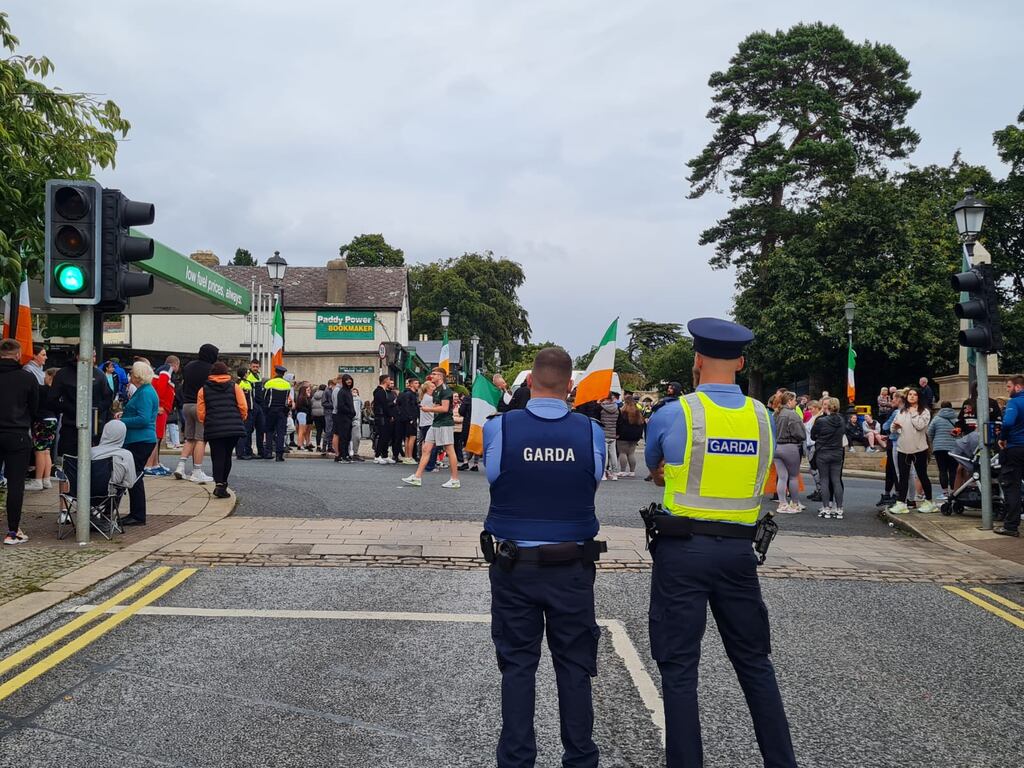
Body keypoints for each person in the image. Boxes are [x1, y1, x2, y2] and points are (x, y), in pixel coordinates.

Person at [644, 318, 797, 768]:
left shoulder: (675, 412)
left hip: (681, 551)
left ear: (696, 359)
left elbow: (655, 468)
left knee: (679, 669)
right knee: (754, 664)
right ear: (741, 362)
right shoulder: (763, 417)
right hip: (739, 554)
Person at [482, 346, 607, 768]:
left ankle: (516, 761)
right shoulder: (590, 431)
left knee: (518, 667)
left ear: (529, 383)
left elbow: (495, 479)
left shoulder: (500, 428)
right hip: (571, 566)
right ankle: (580, 758)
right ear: (571, 386)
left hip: (514, 566)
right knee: (574, 667)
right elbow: (590, 483)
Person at [1, 339, 38, 545]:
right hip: (17, 433)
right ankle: (12, 532)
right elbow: (35, 407)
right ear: (17, 355)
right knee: (15, 485)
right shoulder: (27, 378)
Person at [197, 362, 248, 498]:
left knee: (217, 456)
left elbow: (201, 412)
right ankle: (224, 483)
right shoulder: (235, 386)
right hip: (233, 427)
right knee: (227, 456)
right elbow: (243, 406)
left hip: (214, 427)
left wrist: (206, 422)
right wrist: (240, 418)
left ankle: (219, 484)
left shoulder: (203, 389)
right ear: (226, 373)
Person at [403, 368, 461, 488]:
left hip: (445, 423)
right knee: (426, 448)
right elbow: (437, 406)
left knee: (449, 450)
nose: (431, 376)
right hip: (436, 423)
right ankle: (417, 477)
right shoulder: (436, 391)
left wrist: (428, 409)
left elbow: (445, 408)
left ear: (440, 377)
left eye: (434, 374)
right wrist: (430, 408)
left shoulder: (446, 391)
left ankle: (455, 479)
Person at [49, 350, 113, 456]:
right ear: (78, 356)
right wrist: (70, 409)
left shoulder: (99, 374)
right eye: (90, 356)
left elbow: (107, 398)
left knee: (90, 458)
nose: (93, 359)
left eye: (94, 356)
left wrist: (95, 409)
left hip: (93, 425)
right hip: (70, 425)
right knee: (67, 458)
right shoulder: (64, 374)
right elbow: (52, 399)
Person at [119, 361, 160, 526]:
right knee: (134, 475)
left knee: (134, 476)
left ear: (137, 376)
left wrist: (123, 420)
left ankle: (137, 515)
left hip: (140, 439)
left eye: (132, 373)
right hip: (141, 439)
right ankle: (136, 513)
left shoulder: (144, 393)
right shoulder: (145, 391)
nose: (130, 376)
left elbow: (143, 419)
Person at [174, 343, 218, 483]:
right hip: (201, 406)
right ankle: (197, 471)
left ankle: (180, 466)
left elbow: (184, 385)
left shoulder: (189, 366)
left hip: (187, 405)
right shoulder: (211, 369)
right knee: (200, 439)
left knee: (190, 438)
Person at [890, 388, 935, 514]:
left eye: (915, 395)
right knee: (903, 477)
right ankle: (901, 503)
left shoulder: (924, 412)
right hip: (903, 448)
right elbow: (893, 428)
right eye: (910, 394)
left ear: (919, 397)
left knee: (922, 475)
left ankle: (930, 501)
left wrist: (914, 413)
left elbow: (920, 426)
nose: (912, 397)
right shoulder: (901, 411)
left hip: (919, 449)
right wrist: (896, 427)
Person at [996, 375, 1024, 536]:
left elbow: (1007, 423)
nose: (1007, 390)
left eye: (1008, 387)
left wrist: (1003, 438)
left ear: (1018, 387)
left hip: (1015, 448)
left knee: (1011, 486)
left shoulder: (1013, 403)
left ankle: (1011, 526)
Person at [811, 397, 846, 518]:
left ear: (828, 407)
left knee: (824, 480)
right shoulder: (842, 420)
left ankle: (826, 508)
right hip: (837, 452)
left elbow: (812, 436)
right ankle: (839, 508)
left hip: (823, 452)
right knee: (836, 480)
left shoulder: (822, 421)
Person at [25, 367, 58, 491]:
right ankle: (46, 479)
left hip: (41, 420)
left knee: (39, 450)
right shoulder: (56, 392)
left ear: (50, 377)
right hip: (52, 420)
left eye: (45, 376)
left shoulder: (41, 390)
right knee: (47, 450)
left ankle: (38, 480)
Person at [773, 391, 806, 513]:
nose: (796, 402)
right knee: (793, 477)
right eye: (795, 400)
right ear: (789, 401)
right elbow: (800, 434)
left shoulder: (776, 414)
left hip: (777, 447)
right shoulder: (792, 415)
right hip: (790, 446)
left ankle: (782, 503)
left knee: (782, 477)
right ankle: (795, 504)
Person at [91, 420, 139, 495]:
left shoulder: (90, 452)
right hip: (109, 495)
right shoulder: (125, 455)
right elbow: (130, 483)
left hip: (84, 494)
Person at [928, 401, 959, 502]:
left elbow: (929, 433)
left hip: (939, 448)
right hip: (953, 448)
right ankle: (954, 492)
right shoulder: (956, 418)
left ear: (941, 407)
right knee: (953, 470)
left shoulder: (936, 418)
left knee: (942, 471)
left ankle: (945, 493)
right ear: (951, 407)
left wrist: (932, 443)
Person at [263, 365, 292, 461]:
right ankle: (279, 455)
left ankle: (268, 452)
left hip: (271, 410)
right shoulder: (287, 384)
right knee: (281, 433)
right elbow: (287, 400)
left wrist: (265, 410)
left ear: (275, 372)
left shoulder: (269, 383)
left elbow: (265, 398)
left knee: (269, 431)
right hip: (282, 411)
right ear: (283, 374)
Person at [616, 395, 645, 477]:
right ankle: (632, 471)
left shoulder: (623, 412)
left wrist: (617, 433)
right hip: (635, 436)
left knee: (622, 453)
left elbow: (619, 424)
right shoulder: (638, 411)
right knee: (631, 453)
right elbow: (641, 424)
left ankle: (623, 471)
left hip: (623, 435)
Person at [372, 375, 398, 463]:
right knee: (382, 436)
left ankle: (385, 455)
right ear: (385, 380)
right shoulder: (380, 391)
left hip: (384, 416)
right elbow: (384, 405)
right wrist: (390, 415)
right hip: (381, 416)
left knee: (386, 436)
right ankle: (377, 455)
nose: (390, 382)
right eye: (389, 380)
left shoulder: (383, 391)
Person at [397, 378, 421, 464]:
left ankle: (407, 457)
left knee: (407, 438)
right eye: (416, 383)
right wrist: (411, 418)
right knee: (412, 437)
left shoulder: (410, 394)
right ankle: (409, 457)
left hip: (408, 418)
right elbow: (407, 407)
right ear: (410, 384)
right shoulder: (410, 394)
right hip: (410, 419)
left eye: (418, 383)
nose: (418, 384)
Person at [333, 374, 356, 463]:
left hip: (348, 418)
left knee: (347, 437)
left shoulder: (348, 391)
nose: (349, 381)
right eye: (347, 380)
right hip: (342, 418)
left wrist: (352, 412)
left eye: (350, 379)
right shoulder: (342, 391)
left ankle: (346, 454)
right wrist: (351, 411)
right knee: (343, 437)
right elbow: (340, 406)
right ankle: (342, 456)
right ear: (343, 381)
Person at [598, 394, 620, 481]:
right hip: (613, 433)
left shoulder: (602, 408)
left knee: (605, 455)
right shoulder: (616, 408)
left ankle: (603, 474)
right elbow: (618, 421)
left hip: (604, 433)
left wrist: (599, 403)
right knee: (613, 454)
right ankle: (615, 474)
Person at [236, 366, 256, 460]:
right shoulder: (239, 383)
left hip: (250, 409)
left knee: (248, 431)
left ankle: (247, 450)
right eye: (247, 373)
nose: (248, 374)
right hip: (244, 410)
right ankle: (240, 452)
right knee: (243, 432)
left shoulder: (247, 383)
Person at [311, 384, 327, 452]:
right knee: (326, 431)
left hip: (315, 415)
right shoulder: (325, 394)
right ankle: (324, 446)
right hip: (324, 414)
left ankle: (318, 446)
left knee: (318, 431)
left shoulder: (314, 395)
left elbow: (311, 403)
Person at [351, 386, 364, 460]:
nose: (354, 393)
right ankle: (352, 452)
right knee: (353, 437)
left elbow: (361, 407)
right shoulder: (357, 399)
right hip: (353, 419)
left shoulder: (359, 399)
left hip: (356, 420)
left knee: (356, 437)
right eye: (353, 391)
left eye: (356, 392)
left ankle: (354, 453)